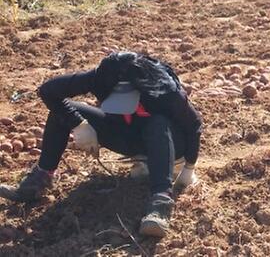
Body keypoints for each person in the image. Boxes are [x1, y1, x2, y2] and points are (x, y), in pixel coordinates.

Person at [0, 52, 202, 238]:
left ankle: (160, 203)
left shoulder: (163, 89)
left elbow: (194, 125)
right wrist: (79, 124)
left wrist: (188, 168)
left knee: (158, 122)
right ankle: (40, 178)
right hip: (129, 135)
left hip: (170, 145)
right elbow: (48, 90)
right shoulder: (103, 77)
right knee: (60, 113)